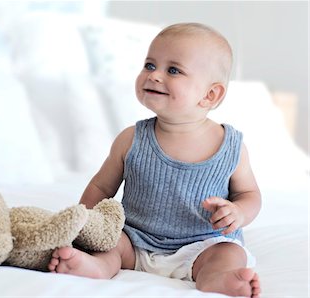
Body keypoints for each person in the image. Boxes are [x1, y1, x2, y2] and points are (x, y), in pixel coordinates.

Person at [48, 22, 261, 298]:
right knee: (111, 244)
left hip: (201, 245)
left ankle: (217, 278)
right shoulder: (131, 139)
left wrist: (239, 212)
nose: (154, 76)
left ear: (210, 94)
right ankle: (97, 266)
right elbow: (101, 188)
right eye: (150, 65)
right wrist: (84, 223)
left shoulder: (231, 146)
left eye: (173, 70)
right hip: (135, 240)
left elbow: (250, 194)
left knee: (229, 252)